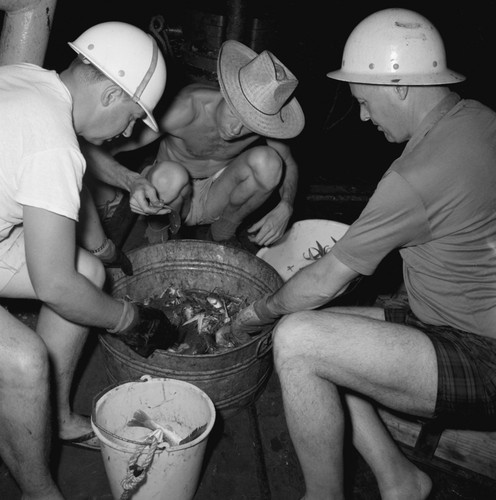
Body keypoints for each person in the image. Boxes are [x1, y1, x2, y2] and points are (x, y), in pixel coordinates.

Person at [224, 8, 496, 499]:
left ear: (400, 86)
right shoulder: (477, 119)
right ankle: (400, 480)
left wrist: (254, 313)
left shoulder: (415, 177)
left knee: (298, 339)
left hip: (481, 351)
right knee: (330, 336)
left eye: (364, 101)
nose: (365, 117)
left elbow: (329, 276)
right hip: (449, 314)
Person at [0, 21, 179, 499]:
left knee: (89, 272)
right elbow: (55, 285)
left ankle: (52, 417)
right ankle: (38, 490)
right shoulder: (53, 142)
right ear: (110, 93)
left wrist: (104, 255)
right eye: (131, 117)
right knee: (23, 361)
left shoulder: (29, 78)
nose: (125, 131)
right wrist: (131, 319)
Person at [81, 39, 304, 247]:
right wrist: (131, 182)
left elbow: (289, 164)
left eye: (251, 124)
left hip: (218, 193)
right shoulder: (183, 110)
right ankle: (159, 233)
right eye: (235, 114)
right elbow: (93, 149)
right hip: (169, 196)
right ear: (226, 92)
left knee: (270, 164)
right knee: (171, 176)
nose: (237, 129)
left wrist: (286, 205)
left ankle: (222, 233)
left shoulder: (264, 126)